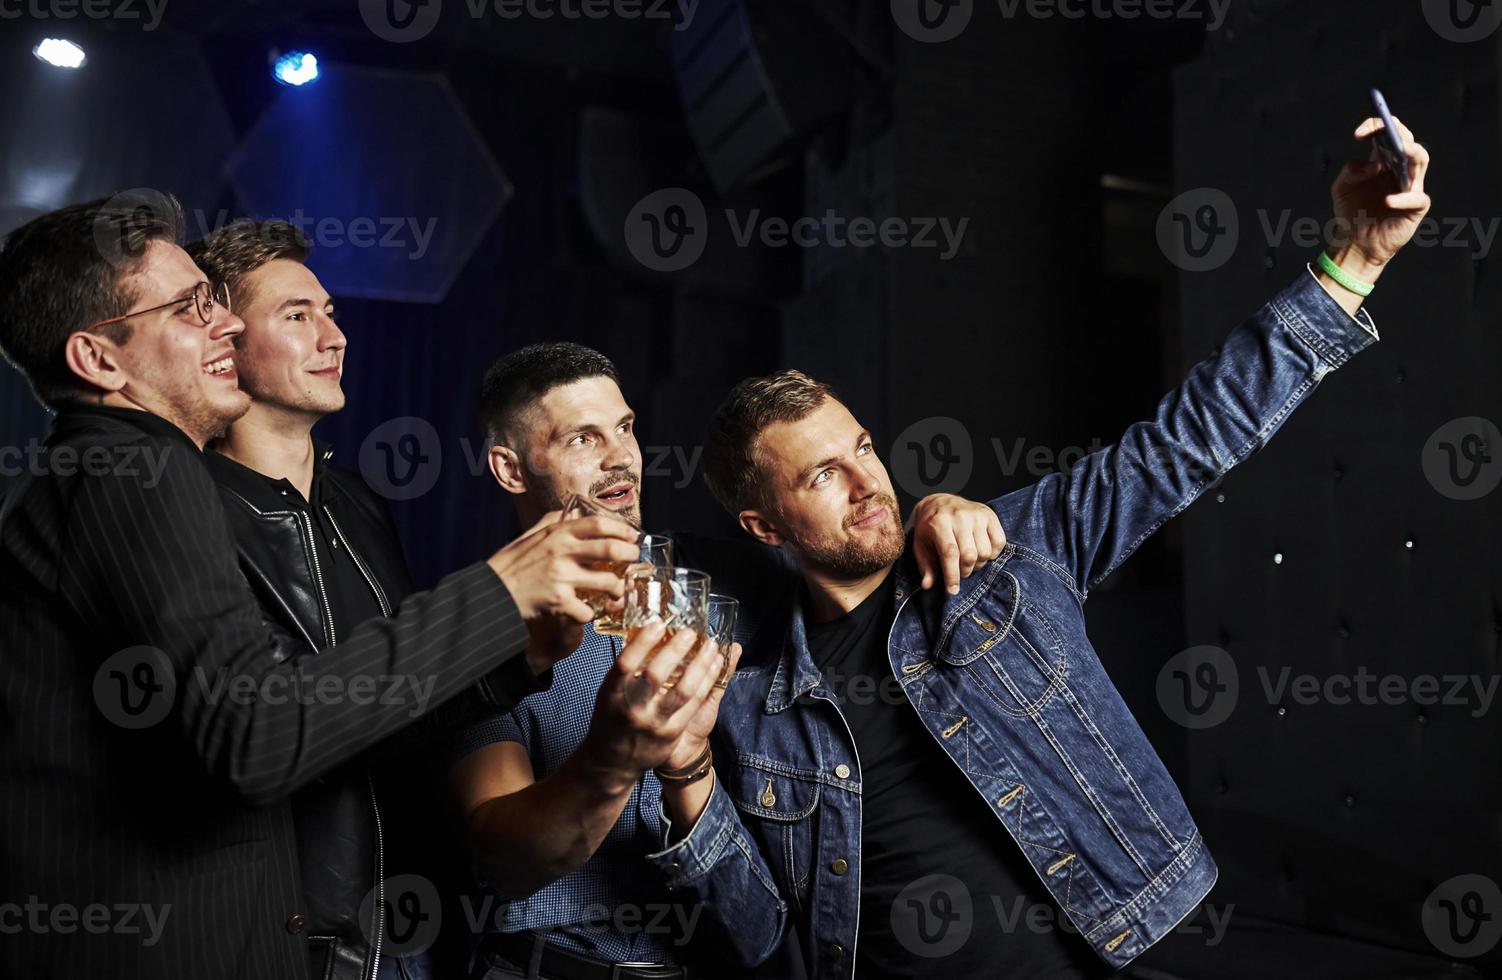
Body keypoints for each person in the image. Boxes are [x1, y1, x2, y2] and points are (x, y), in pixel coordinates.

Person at [660, 114, 1433, 978]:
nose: (868, 481)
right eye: (820, 477)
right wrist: (686, 779)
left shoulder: (1009, 552)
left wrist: (1355, 260)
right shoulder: (749, 702)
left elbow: (1188, 440)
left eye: (864, 448)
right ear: (764, 527)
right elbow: (762, 934)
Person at [0, 193, 638, 979]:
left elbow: (349, 718)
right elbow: (256, 738)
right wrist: (500, 590)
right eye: (191, 307)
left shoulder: (330, 499)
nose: (224, 327)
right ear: (98, 359)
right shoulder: (137, 467)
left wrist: (516, 654)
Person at [447, 343, 1008, 978]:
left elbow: (860, 556)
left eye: (625, 428)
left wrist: (942, 511)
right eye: (582, 439)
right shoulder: (475, 630)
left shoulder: (736, 578)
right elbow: (502, 858)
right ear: (510, 469)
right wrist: (619, 752)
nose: (619, 457)